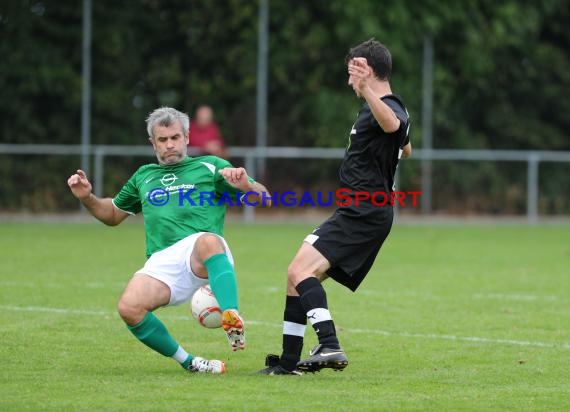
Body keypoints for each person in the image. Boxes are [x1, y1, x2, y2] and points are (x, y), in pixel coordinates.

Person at [67, 107, 271, 374]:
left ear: (187, 137)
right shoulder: (143, 176)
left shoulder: (210, 166)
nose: (170, 144)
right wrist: (87, 198)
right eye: (162, 140)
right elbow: (113, 215)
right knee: (129, 307)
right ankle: (190, 362)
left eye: (175, 137)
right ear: (153, 143)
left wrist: (246, 186)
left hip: (205, 254)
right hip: (163, 261)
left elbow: (264, 199)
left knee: (207, 240)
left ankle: (231, 315)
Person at [259, 39, 412, 375]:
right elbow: (405, 145)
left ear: (366, 71)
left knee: (300, 271)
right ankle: (287, 364)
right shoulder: (383, 108)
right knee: (297, 276)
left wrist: (366, 91)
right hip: (362, 209)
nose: (349, 83)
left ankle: (329, 344)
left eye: (352, 74)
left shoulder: (388, 106)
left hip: (364, 210)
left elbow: (394, 126)